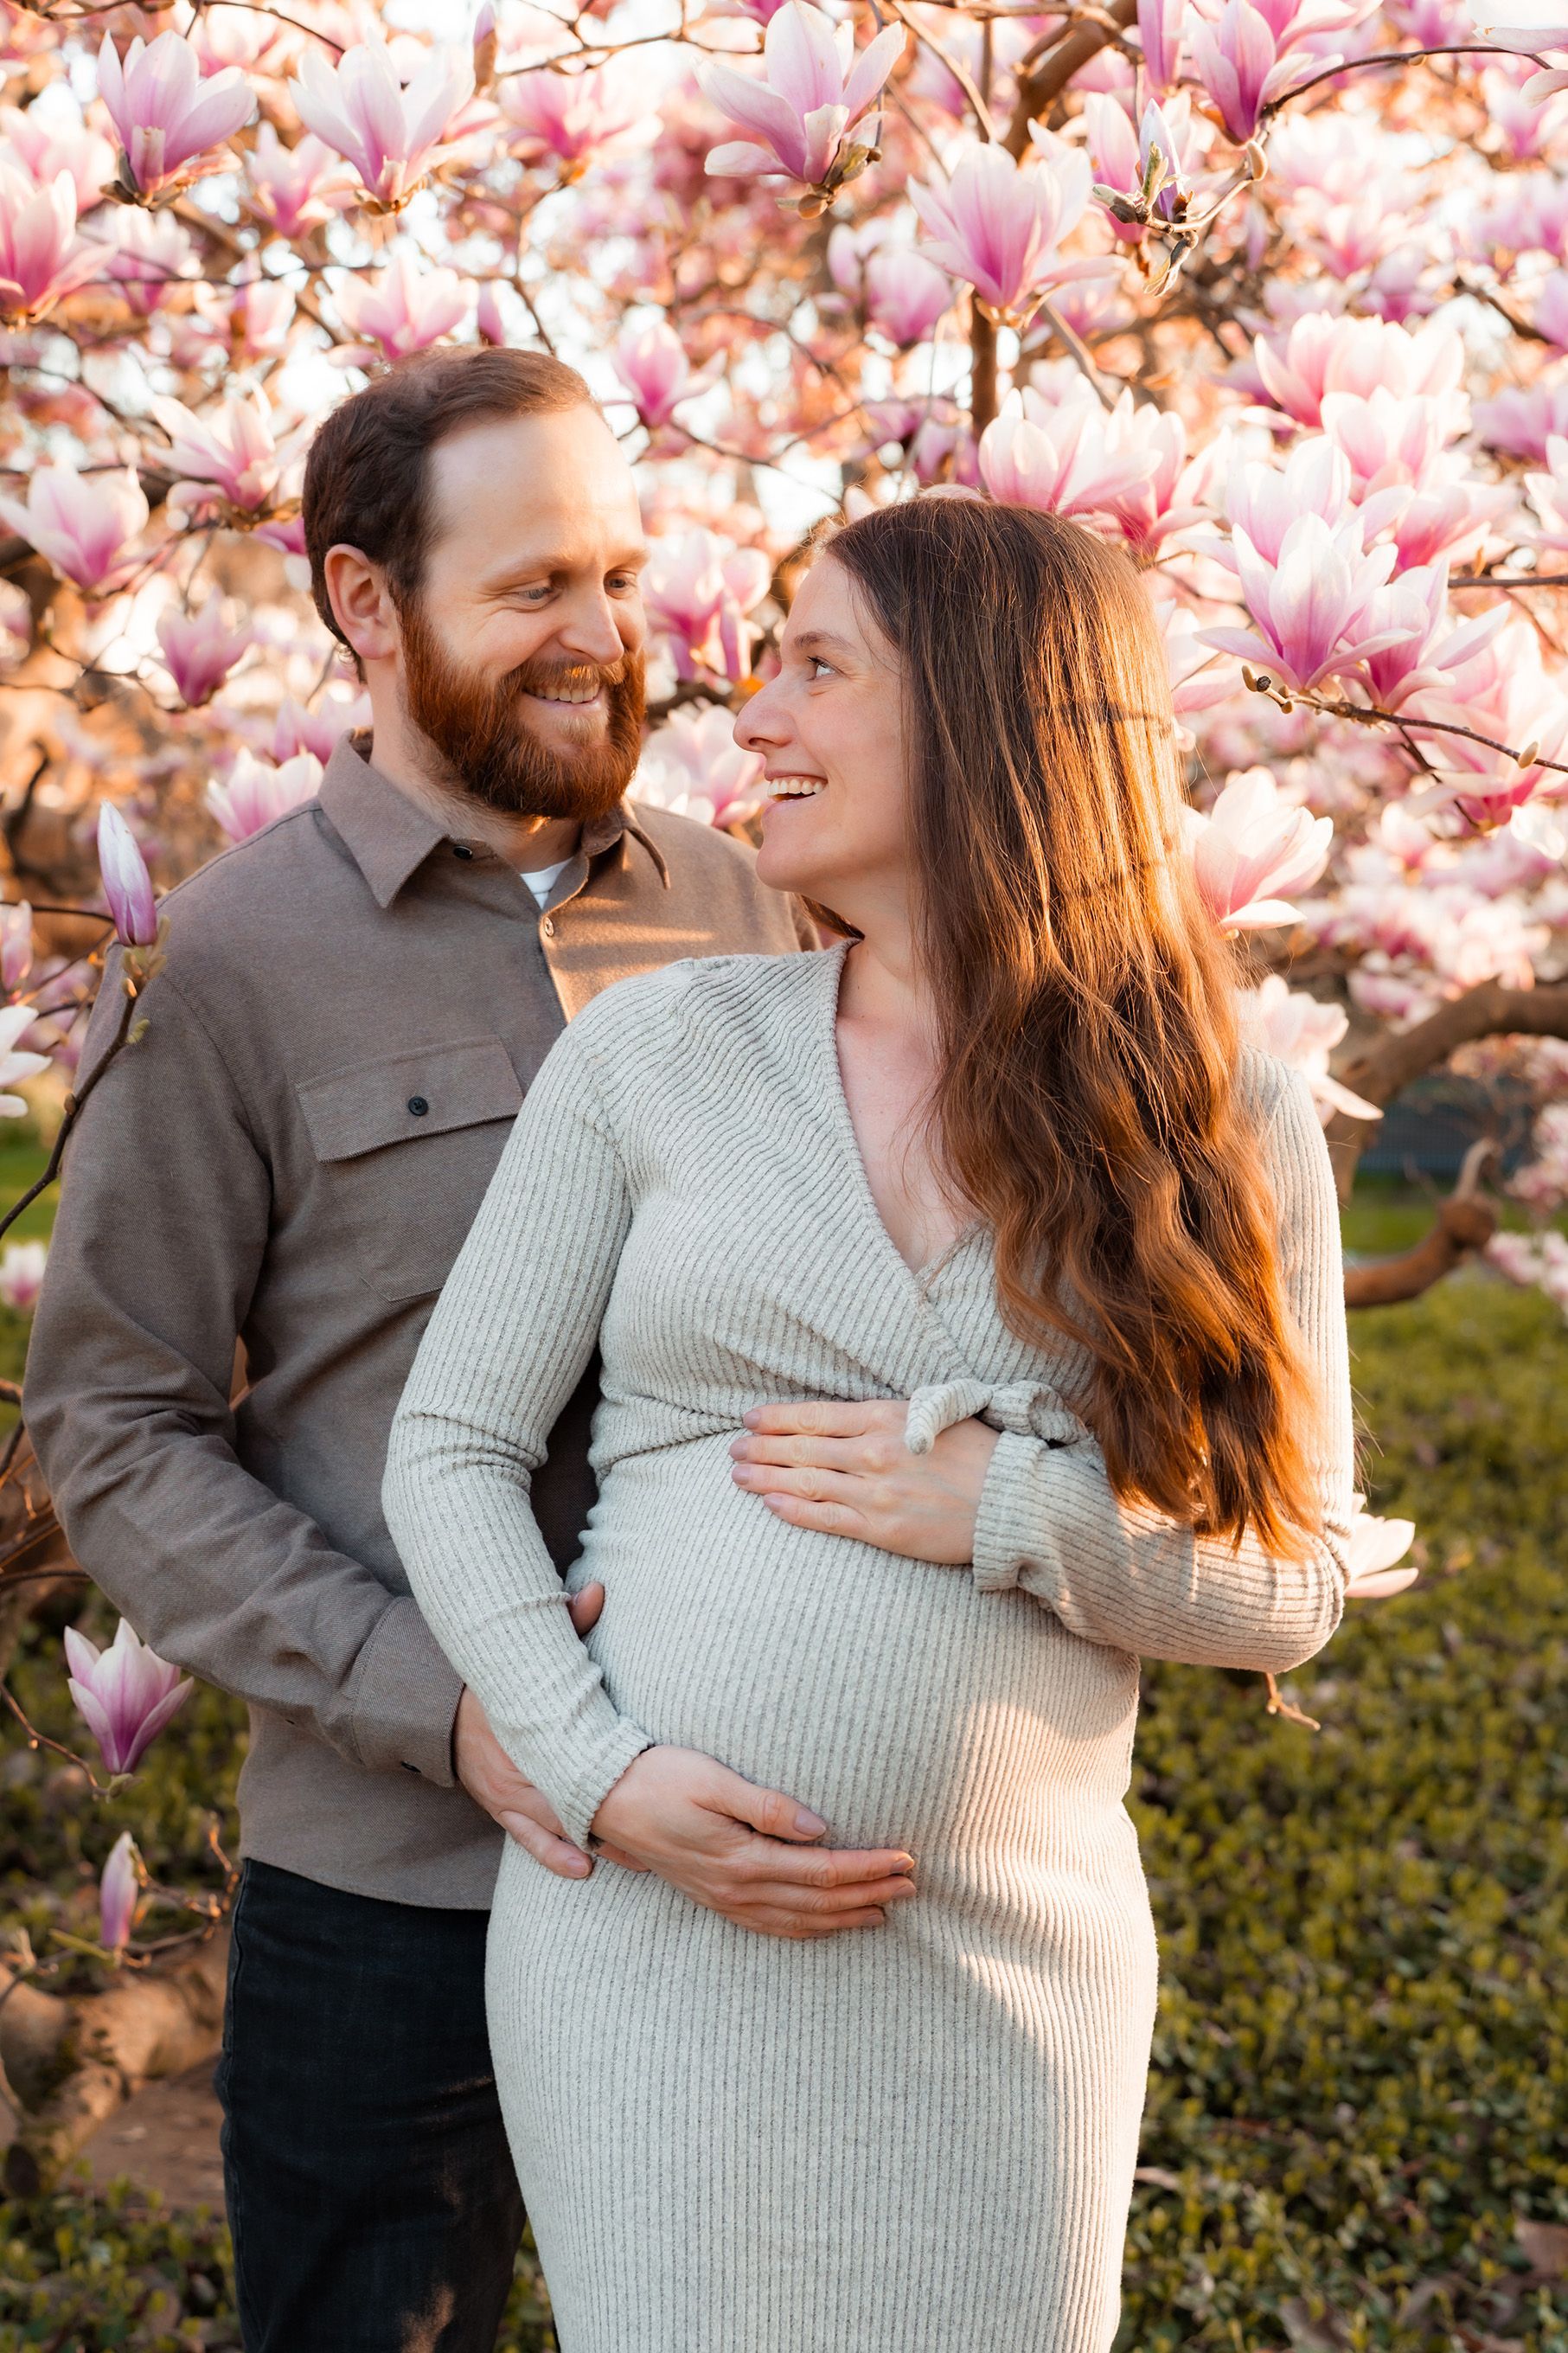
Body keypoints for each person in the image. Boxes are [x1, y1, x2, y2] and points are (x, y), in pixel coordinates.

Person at [381, 494, 1358, 2352]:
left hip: (1004, 1976)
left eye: (817, 666)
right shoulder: (657, 1052)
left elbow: (1293, 1582)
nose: (749, 717)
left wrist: (1012, 1511)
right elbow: (448, 1444)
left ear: (997, 715)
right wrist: (593, 1770)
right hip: (645, 1947)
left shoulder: (1226, 1107)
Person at [22, 346, 906, 2353]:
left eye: (615, 574)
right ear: (361, 600)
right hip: (399, 1891)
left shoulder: (757, 903)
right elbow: (117, 1422)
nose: (605, 638)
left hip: (750, 1856)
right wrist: (453, 1706)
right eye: (531, 591)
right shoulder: (225, 964)